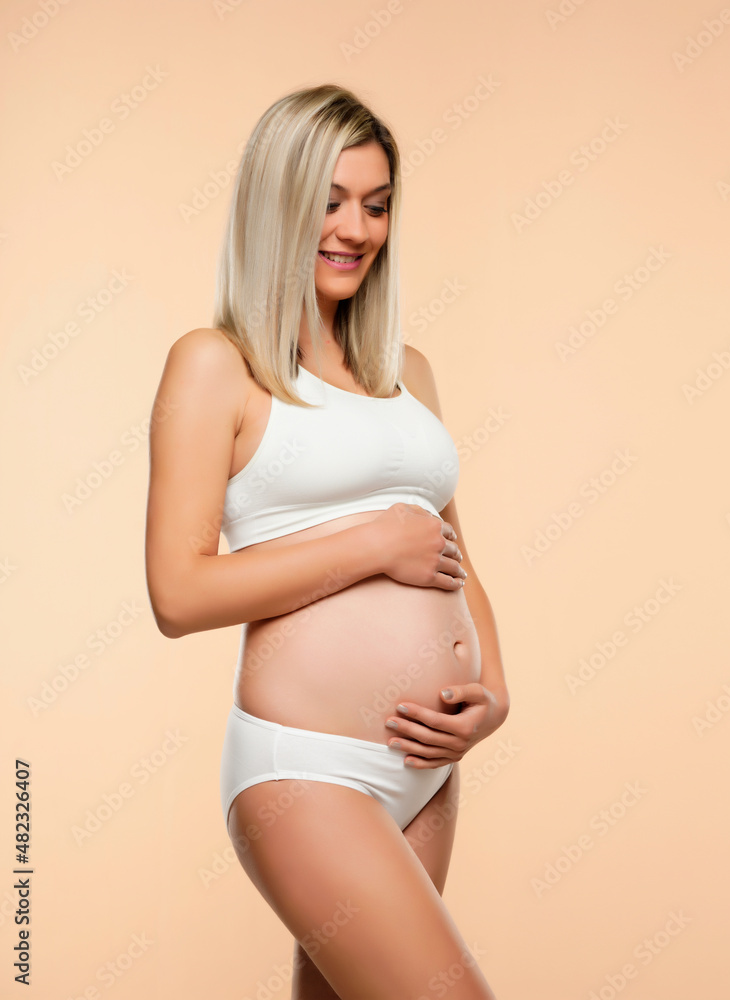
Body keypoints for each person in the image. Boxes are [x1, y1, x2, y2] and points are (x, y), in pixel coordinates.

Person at [144, 84, 509, 999]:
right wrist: (370, 546)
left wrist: (493, 689)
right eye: (331, 200)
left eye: (377, 205)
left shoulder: (405, 373)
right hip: (306, 768)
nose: (356, 228)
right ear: (277, 201)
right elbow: (179, 594)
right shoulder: (215, 364)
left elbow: (452, 551)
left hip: (423, 767)